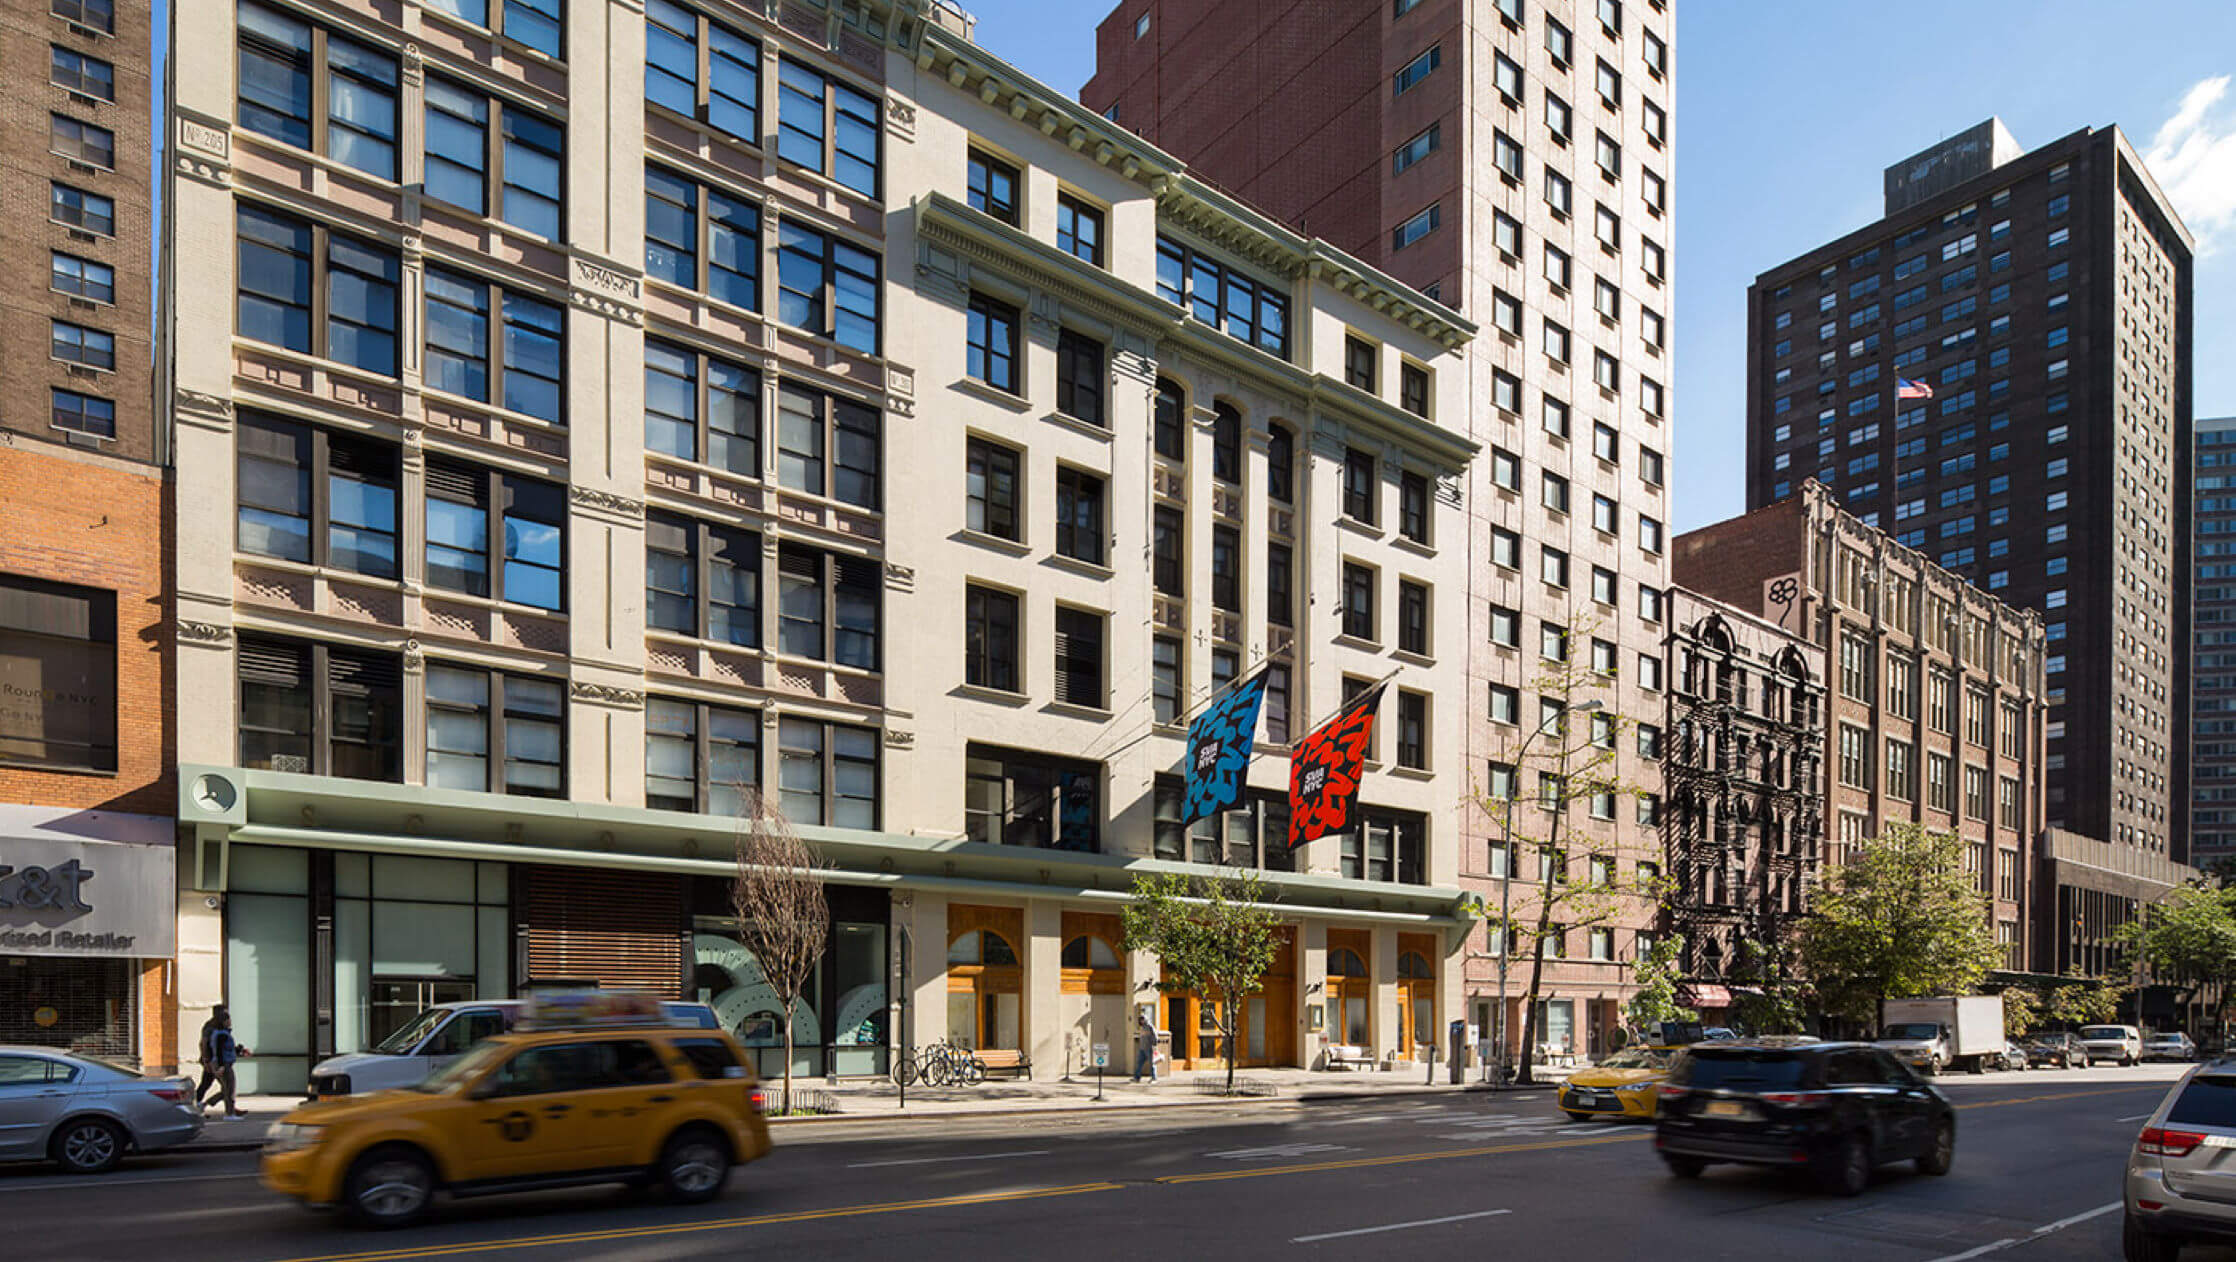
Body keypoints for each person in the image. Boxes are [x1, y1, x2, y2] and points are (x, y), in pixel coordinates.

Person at [205, 1009, 251, 1118]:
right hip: (224, 1064)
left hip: (223, 1063)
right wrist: (221, 1066)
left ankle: (211, 1105)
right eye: (228, 1020)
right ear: (224, 1021)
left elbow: (227, 1050)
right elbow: (220, 1051)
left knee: (226, 1088)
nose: (230, 1022)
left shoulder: (220, 1033)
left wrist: (239, 1051)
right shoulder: (222, 1035)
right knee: (230, 1089)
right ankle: (229, 1113)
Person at [192, 1006, 225, 1108]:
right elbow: (203, 1044)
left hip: (216, 1060)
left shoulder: (219, 1026)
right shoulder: (210, 1027)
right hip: (212, 1061)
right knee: (226, 1086)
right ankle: (201, 1103)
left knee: (207, 1084)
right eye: (225, 1013)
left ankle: (198, 1103)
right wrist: (206, 1061)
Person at [1132, 1006, 1160, 1083]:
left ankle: (1154, 1078)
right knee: (1139, 1063)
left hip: (1149, 1047)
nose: (1141, 1021)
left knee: (1152, 1063)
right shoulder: (1142, 1027)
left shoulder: (1149, 1026)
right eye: (1140, 1020)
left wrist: (1154, 1044)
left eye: (1142, 1019)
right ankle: (1137, 1077)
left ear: (1145, 1019)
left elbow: (1155, 1036)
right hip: (1142, 1047)